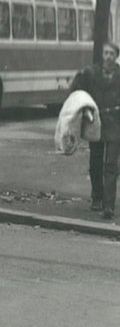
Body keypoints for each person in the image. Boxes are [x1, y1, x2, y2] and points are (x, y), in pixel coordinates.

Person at [70, 41, 120, 218]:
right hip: (95, 123)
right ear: (102, 55)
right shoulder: (91, 73)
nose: (108, 57)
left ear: (116, 57)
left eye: (111, 54)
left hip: (115, 125)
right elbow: (76, 91)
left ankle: (109, 206)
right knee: (96, 163)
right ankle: (97, 197)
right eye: (105, 53)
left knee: (112, 165)